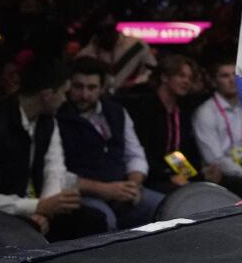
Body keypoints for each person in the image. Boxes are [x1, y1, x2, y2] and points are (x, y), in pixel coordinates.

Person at [0, 61, 106, 241]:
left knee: (94, 220)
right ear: (47, 95)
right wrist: (37, 206)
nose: (65, 99)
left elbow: (54, 169)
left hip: (33, 204)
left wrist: (49, 209)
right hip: (0, 212)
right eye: (64, 93)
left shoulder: (47, 121)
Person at [56, 58, 163, 230]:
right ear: (69, 86)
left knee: (166, 208)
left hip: (123, 187)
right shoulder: (57, 117)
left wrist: (133, 185)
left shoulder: (116, 111)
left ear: (102, 88)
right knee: (104, 219)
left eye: (91, 88)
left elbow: (134, 154)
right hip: (83, 192)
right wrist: (104, 189)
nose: (84, 94)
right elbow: (57, 174)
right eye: (78, 87)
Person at [123, 55, 223, 195]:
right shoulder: (144, 108)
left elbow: (182, 154)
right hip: (150, 176)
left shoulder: (181, 111)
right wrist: (168, 176)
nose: (186, 81)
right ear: (164, 77)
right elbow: (141, 153)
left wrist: (200, 174)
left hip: (177, 175)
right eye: (181, 76)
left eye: (189, 78)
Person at [192, 55, 242, 198]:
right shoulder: (206, 112)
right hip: (223, 175)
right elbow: (215, 160)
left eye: (235, 75)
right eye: (225, 76)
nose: (232, 80)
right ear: (215, 81)